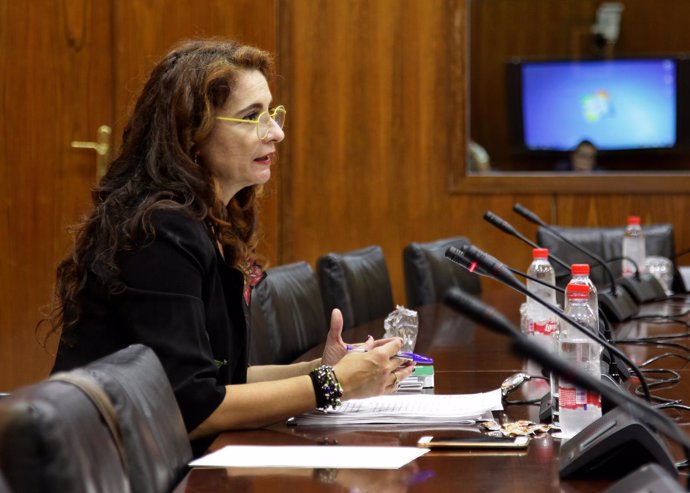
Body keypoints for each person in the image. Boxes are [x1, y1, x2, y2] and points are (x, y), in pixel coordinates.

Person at [45, 39, 415, 456]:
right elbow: (194, 407)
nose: (277, 132)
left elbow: (220, 379)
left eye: (272, 112)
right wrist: (333, 385)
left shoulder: (204, 224)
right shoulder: (160, 233)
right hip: (108, 468)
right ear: (192, 133)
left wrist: (323, 369)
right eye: (251, 116)